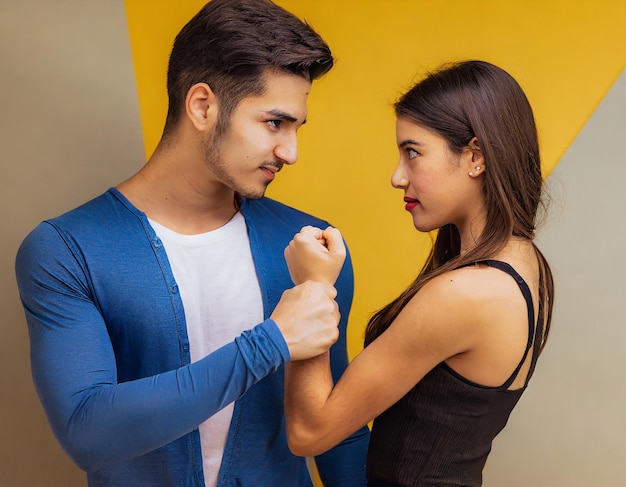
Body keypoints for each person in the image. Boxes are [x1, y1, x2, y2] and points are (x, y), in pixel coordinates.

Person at [14, 1, 370, 486]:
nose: (291, 152)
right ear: (203, 106)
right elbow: (88, 432)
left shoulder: (311, 250)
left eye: (295, 127)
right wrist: (273, 341)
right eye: (274, 123)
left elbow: (339, 430)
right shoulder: (68, 250)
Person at [282, 60, 554, 486]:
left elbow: (309, 432)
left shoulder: (466, 294)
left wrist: (312, 288)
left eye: (413, 152)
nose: (396, 177)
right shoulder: (528, 265)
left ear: (476, 157)